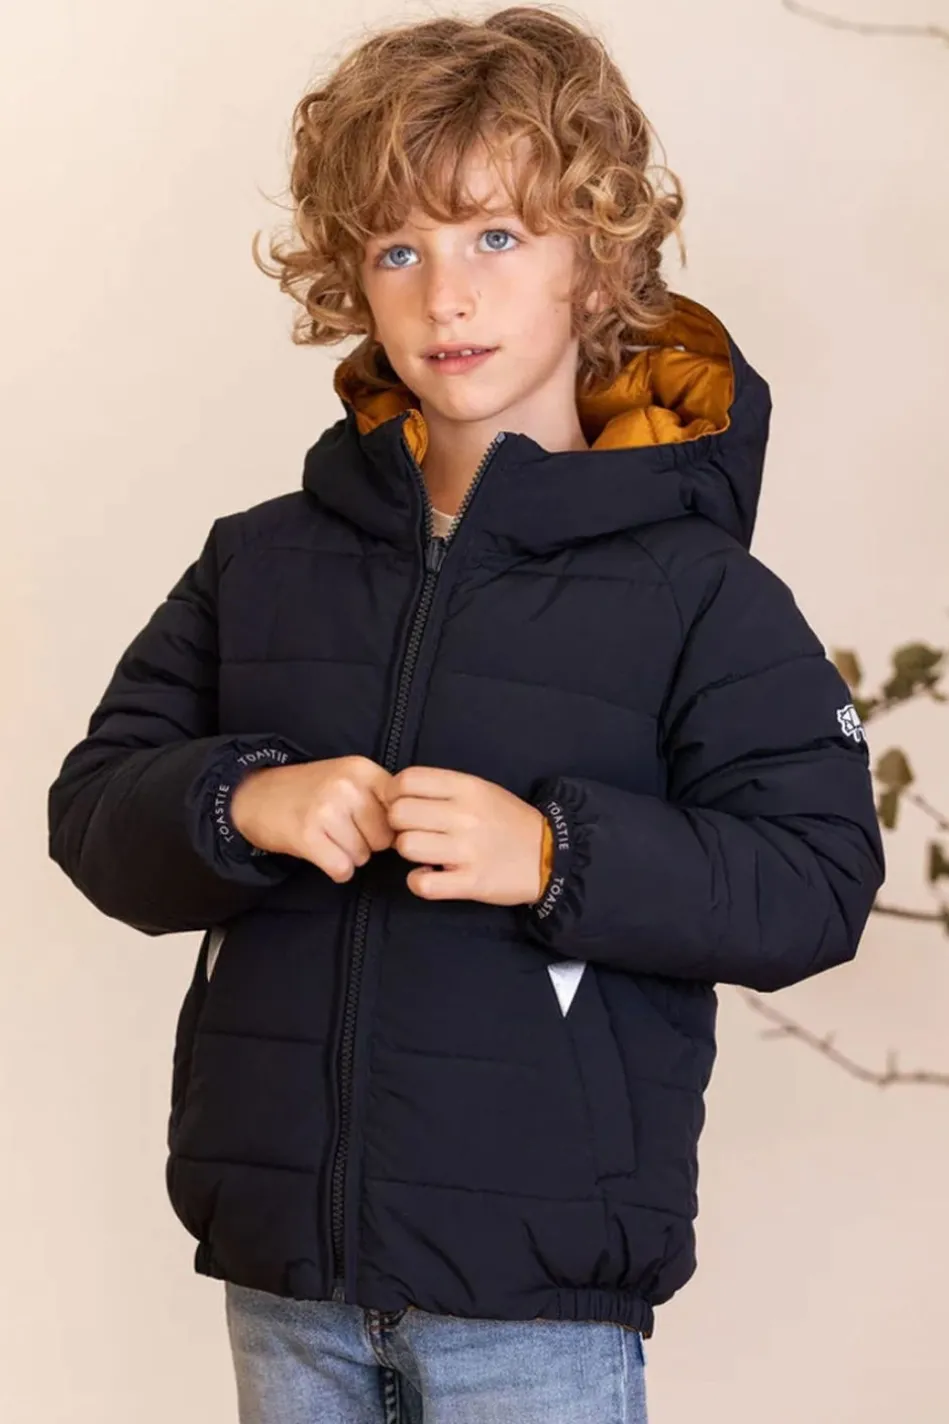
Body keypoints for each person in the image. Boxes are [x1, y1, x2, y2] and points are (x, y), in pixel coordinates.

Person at [46, 7, 885, 1422]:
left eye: (497, 235)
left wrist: (557, 855)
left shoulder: (698, 592)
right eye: (398, 249)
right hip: (286, 1284)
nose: (447, 295)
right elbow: (93, 810)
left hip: (537, 1308)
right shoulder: (261, 560)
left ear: (598, 260)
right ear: (349, 279)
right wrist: (237, 803)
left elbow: (816, 879)